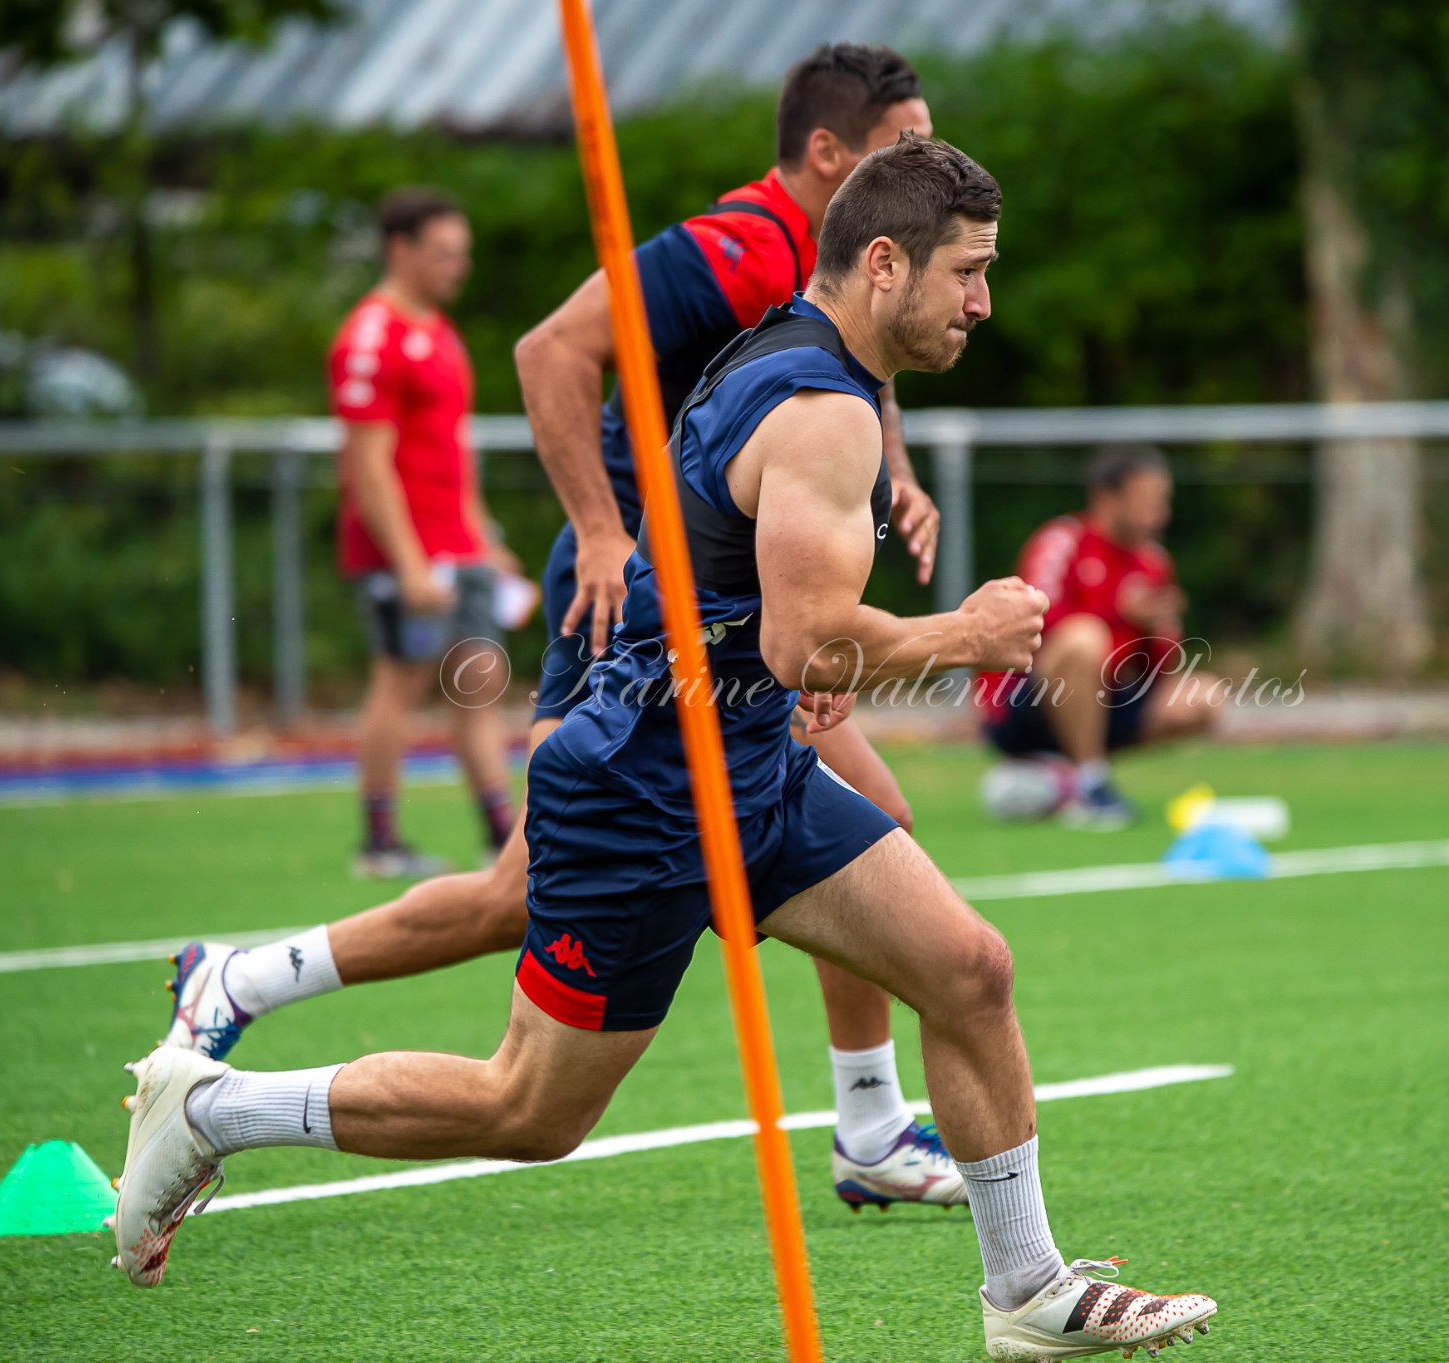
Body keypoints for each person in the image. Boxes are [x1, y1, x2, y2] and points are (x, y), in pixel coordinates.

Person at [115, 136, 1217, 1361]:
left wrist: (766, 665)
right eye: (966, 272)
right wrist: (967, 629)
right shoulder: (820, 412)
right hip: (644, 789)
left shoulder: (791, 361)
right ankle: (215, 1109)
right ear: (886, 260)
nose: (981, 303)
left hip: (745, 764)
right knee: (529, 1109)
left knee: (968, 968)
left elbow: (746, 605)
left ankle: (1027, 1289)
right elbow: (809, 640)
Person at [160, 46, 959, 1212]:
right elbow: (551, 350)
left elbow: (850, 379)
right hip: (642, 617)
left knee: (539, 891)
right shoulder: (738, 245)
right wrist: (597, 529)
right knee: (564, 914)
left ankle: (241, 974)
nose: (924, 168)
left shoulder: (834, 271)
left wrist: (887, 474)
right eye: (902, 146)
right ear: (830, 156)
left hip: (723, 624)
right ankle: (870, 1121)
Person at [330, 187, 521, 879]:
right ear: (398, 249)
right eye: (443, 253)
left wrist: (483, 535)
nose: (457, 267)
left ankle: (501, 833)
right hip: (405, 554)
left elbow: (452, 449)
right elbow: (368, 464)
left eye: (461, 254)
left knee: (478, 680)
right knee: (401, 680)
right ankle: (378, 839)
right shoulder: (370, 336)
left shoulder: (439, 332)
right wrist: (408, 561)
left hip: (457, 546)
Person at [977, 446, 1220, 828]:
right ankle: (1091, 784)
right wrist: (1120, 612)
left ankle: (1060, 776)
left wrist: (1157, 631)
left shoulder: (1153, 561)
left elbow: (1159, 671)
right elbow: (1035, 625)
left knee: (1204, 697)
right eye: (1149, 502)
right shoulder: (1064, 540)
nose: (1161, 515)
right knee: (1084, 638)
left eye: (1162, 502)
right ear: (1108, 499)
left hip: (1107, 699)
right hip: (1029, 697)